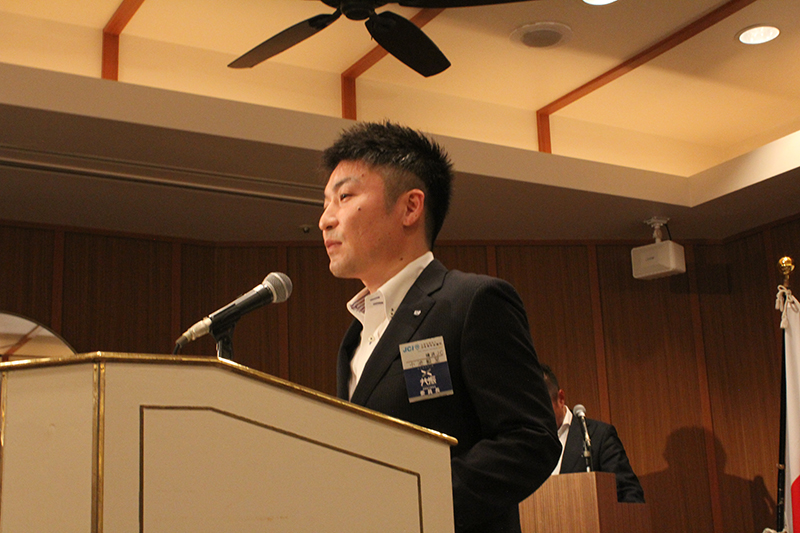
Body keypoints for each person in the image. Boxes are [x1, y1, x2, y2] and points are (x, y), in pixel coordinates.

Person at [319, 121, 561, 533]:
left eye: (344, 197)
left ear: (411, 207)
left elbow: (530, 440)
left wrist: (415, 502)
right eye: (325, 202)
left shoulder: (472, 301)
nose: (326, 219)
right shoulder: (354, 337)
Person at [541, 364, 645, 503]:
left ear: (560, 398)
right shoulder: (527, 444)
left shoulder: (598, 436)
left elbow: (630, 494)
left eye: (541, 407)